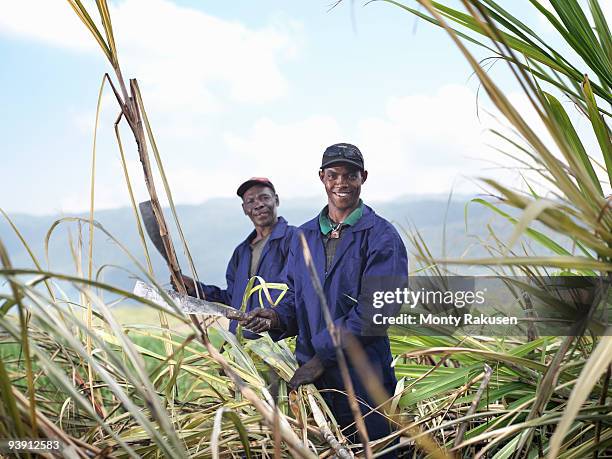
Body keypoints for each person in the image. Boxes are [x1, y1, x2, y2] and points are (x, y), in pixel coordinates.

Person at [244, 143, 408, 451]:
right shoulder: (303, 236)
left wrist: (322, 358)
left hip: (364, 377)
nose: (341, 183)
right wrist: (278, 316)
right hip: (314, 382)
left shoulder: (382, 237)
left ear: (364, 178)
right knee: (325, 450)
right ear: (322, 178)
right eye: (334, 175)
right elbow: (296, 296)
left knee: (376, 450)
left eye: (351, 175)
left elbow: (377, 312)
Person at [176, 177, 296, 338]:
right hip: (243, 346)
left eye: (264, 197)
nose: (258, 204)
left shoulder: (294, 239)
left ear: (276, 200)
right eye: (251, 201)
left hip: (280, 345)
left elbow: (301, 292)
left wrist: (276, 317)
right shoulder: (241, 252)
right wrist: (197, 289)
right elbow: (233, 298)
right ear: (244, 209)